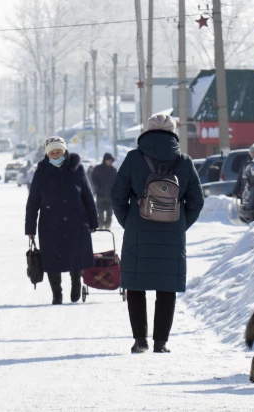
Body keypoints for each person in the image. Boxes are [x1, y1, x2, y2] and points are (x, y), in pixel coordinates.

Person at [111, 114, 204, 354]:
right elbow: (196, 201)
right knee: (166, 288)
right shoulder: (184, 161)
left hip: (137, 232)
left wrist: (129, 222)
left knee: (136, 286)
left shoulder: (133, 158)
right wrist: (180, 225)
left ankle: (140, 340)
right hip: (171, 235)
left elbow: (117, 196)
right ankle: (161, 342)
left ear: (147, 131)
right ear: (173, 132)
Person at [25, 137, 99, 305]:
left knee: (75, 256)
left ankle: (76, 284)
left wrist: (93, 221)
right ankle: (56, 294)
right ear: (47, 154)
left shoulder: (77, 169)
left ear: (65, 151)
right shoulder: (41, 172)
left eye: (59, 151)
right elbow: (33, 201)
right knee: (51, 260)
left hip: (77, 221)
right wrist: (30, 228)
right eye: (52, 152)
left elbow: (87, 196)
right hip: (50, 224)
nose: (56, 154)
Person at [91, 153, 118, 230]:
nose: (110, 162)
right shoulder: (98, 169)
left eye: (111, 161)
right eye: (108, 160)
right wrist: (98, 187)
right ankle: (101, 226)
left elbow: (117, 181)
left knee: (109, 213)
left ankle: (107, 227)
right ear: (104, 160)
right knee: (100, 213)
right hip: (100, 195)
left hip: (110, 196)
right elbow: (93, 178)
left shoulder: (113, 170)